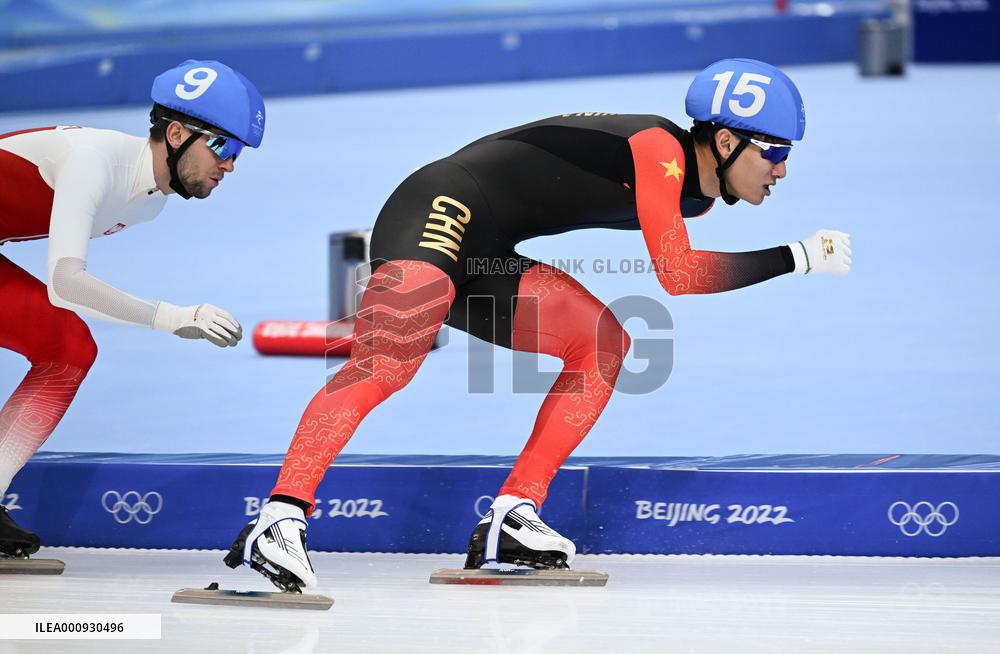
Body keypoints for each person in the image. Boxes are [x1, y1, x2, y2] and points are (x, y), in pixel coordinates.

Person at [230, 58, 850, 590]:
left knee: (603, 342)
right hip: (439, 209)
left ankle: (513, 517)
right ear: (724, 142)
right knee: (387, 363)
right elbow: (678, 274)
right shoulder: (662, 149)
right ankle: (278, 521)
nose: (782, 170)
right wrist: (795, 257)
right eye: (774, 151)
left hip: (488, 244)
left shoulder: (700, 196)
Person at [0, 60, 266, 559]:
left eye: (238, 155)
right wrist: (170, 317)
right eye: (224, 147)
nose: (229, 165)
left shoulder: (149, 203)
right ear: (176, 133)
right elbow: (65, 280)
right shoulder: (93, 160)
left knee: (69, 348)